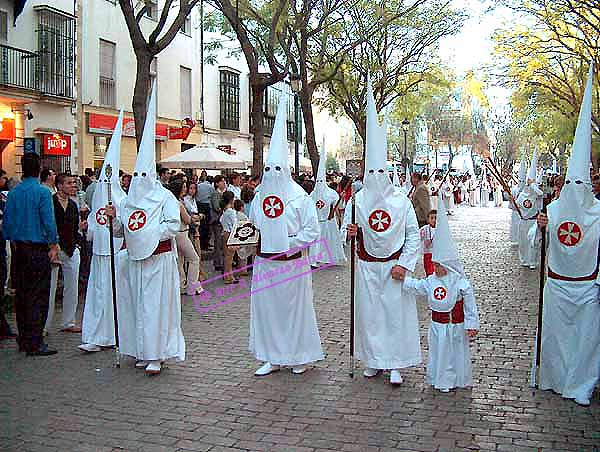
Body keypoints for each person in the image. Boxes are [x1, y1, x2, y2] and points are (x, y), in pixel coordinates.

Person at [342, 79, 421, 385]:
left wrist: (404, 264)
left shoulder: (401, 201)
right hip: (366, 266)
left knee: (394, 315)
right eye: (370, 172)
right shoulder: (357, 200)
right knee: (370, 315)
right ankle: (374, 360)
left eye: (379, 172)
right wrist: (348, 232)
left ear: (386, 172)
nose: (375, 177)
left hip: (393, 266)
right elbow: (347, 232)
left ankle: (395, 363)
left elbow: (413, 235)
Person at [105, 86, 185, 375]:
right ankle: (140, 349)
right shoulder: (129, 200)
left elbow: (173, 225)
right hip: (136, 260)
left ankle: (156, 354)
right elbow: (120, 231)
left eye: (143, 174)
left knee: (155, 307)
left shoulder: (165, 197)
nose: (138, 179)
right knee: (137, 305)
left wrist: (149, 235)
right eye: (135, 174)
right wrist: (116, 218)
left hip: (159, 261)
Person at [534, 67, 600, 406]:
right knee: (557, 338)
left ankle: (581, 384)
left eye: (580, 184)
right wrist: (542, 226)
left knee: (586, 340)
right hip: (557, 284)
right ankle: (553, 378)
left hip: (587, 286)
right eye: (569, 184)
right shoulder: (554, 208)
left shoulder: (599, 213)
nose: (574, 190)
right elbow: (537, 243)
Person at [249, 96, 323, 376]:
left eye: (277, 168)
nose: (272, 173)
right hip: (266, 263)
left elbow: (312, 231)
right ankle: (272, 356)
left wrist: (287, 243)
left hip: (292, 262)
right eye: (268, 169)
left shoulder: (300, 198)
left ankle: (299, 356)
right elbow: (254, 225)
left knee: (294, 312)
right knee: (268, 311)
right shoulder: (259, 197)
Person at [402, 195, 479, 393]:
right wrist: (401, 279)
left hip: (455, 326)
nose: (435, 268)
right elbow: (417, 287)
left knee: (454, 354)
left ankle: (456, 380)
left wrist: (471, 324)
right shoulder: (431, 280)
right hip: (437, 326)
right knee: (440, 354)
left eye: (439, 265)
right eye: (434, 264)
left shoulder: (460, 282)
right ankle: (440, 379)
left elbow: (470, 304)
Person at [4, 153, 60, 356]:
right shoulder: (43, 193)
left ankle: (23, 338)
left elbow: (7, 223)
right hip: (37, 249)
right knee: (38, 296)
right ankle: (35, 342)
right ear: (39, 168)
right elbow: (49, 221)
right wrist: (53, 244)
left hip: (19, 248)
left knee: (22, 295)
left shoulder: (13, 193)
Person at [79, 113, 126, 353]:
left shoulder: (123, 197)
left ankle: (115, 334)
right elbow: (92, 217)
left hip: (116, 254)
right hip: (99, 253)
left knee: (114, 295)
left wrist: (115, 216)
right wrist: (88, 225)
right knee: (98, 294)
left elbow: (125, 225)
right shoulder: (98, 192)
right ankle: (96, 333)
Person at [45, 173, 86, 335]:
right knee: (50, 288)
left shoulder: (73, 205)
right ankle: (45, 325)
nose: (73, 186)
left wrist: (78, 237)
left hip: (71, 248)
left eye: (74, 183)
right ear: (59, 186)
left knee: (72, 287)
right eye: (69, 183)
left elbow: (75, 226)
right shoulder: (50, 202)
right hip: (54, 247)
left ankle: (68, 321)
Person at [309, 146, 346, 267]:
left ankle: (329, 258)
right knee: (316, 243)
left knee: (329, 241)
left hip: (328, 221)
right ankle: (314, 259)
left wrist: (341, 198)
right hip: (316, 222)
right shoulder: (313, 194)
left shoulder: (331, 193)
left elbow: (339, 205)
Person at [169, 178, 203, 296]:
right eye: (183, 187)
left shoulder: (171, 202)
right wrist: (197, 219)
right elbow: (187, 219)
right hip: (182, 233)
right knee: (194, 259)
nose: (185, 189)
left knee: (180, 261)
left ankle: (181, 285)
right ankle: (192, 286)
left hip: (176, 234)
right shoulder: (178, 203)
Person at [517, 149, 543, 270]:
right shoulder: (521, 195)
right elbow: (516, 206)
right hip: (523, 221)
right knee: (523, 243)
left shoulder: (536, 195)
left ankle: (533, 261)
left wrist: (533, 185)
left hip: (533, 222)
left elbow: (541, 193)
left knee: (533, 242)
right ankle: (524, 260)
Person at [220, 191, 240, 284]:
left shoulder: (224, 210)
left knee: (227, 256)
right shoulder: (231, 211)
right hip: (230, 234)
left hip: (225, 232)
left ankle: (227, 275)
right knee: (229, 256)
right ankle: (229, 276)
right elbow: (235, 224)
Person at [210, 175, 227, 272]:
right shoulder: (215, 194)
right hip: (217, 221)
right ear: (217, 183)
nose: (224, 183)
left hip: (223, 221)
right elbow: (217, 207)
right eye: (222, 181)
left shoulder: (223, 193)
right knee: (218, 242)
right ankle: (218, 262)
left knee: (222, 242)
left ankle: (221, 261)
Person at [509, 159, 527, 245]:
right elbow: (510, 197)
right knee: (515, 226)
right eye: (520, 180)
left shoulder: (527, 190)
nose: (521, 183)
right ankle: (515, 238)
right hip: (515, 211)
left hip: (523, 212)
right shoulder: (514, 188)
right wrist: (510, 198)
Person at [195, 173, 214, 250]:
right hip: (206, 206)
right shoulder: (210, 187)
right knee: (206, 226)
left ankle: (201, 243)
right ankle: (205, 244)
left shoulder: (198, 186)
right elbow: (212, 196)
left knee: (201, 226)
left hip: (199, 205)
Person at [420, 210, 436, 276]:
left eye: (436, 218)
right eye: (431, 218)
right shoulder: (424, 229)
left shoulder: (441, 229)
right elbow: (417, 238)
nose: (434, 220)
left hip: (437, 254)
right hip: (428, 253)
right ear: (428, 219)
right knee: (428, 271)